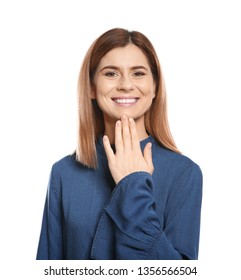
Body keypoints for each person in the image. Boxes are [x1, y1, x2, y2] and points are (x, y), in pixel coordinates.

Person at [36, 28, 202, 260]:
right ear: (92, 87)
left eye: (138, 73)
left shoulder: (184, 173)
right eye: (111, 73)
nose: (125, 85)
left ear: (154, 87)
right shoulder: (64, 173)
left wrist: (133, 185)